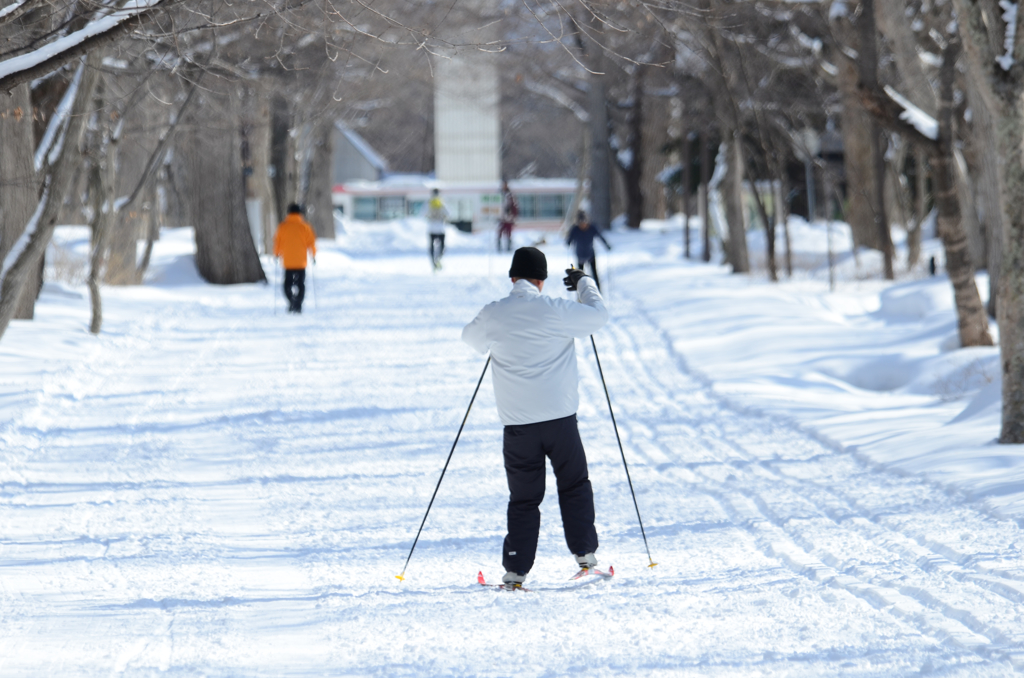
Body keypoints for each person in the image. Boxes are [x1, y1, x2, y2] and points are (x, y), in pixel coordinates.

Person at [462, 247, 608, 590]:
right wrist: (584, 283)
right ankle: (585, 557)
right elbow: (598, 317)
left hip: (517, 426)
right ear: (541, 281)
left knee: (524, 499)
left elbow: (469, 338)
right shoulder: (555, 310)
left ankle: (515, 573)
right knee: (574, 486)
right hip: (560, 420)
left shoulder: (494, 313)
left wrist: (497, 338)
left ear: (513, 278)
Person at [273, 203, 317, 314]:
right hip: (301, 262)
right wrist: (313, 255)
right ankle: (298, 304)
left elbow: (277, 242)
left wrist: (276, 254)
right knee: (300, 284)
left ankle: (291, 301)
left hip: (288, 262)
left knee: (287, 284)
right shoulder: (305, 226)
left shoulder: (283, 227)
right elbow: (311, 242)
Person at [566, 210, 611, 290]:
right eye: (581, 223)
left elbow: (600, 237)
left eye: (584, 222)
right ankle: (580, 293)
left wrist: (606, 245)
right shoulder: (575, 229)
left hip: (590, 254)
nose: (583, 225)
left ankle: (598, 290)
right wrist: (568, 243)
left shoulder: (592, 228)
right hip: (580, 255)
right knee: (580, 276)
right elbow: (569, 239)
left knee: (594, 274)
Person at [426, 188, 449, 270]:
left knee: (431, 246)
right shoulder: (442, 203)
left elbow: (422, 213)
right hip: (441, 228)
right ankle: (438, 258)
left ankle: (433, 262)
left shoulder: (428, 203)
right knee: (442, 246)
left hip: (431, 228)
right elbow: (448, 213)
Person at [496, 181, 518, 252]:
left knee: (508, 233)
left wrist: (513, 216)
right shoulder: (499, 194)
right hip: (501, 218)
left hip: (509, 218)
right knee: (499, 232)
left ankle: (508, 247)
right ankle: (499, 247)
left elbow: (514, 207)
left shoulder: (510, 195)